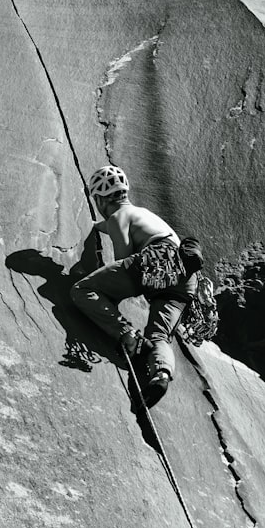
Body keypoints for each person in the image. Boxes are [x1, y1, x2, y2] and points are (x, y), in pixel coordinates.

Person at [70, 165, 198, 407]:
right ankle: (160, 376)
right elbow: (110, 227)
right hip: (184, 277)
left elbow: (123, 258)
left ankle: (129, 337)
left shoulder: (119, 217)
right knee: (159, 334)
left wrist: (107, 294)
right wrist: (101, 227)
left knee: (82, 290)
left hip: (154, 263)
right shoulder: (143, 214)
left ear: (99, 199)